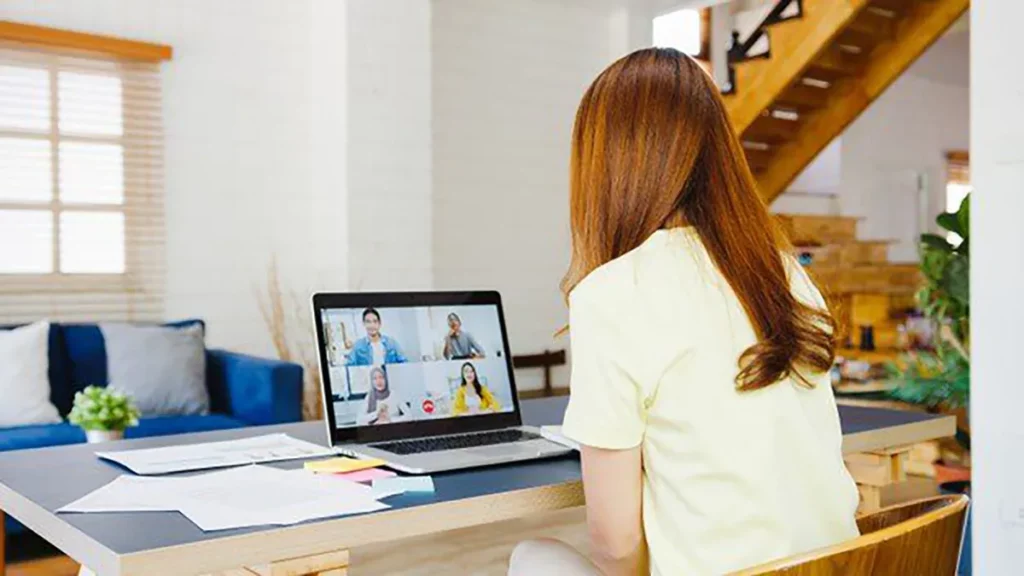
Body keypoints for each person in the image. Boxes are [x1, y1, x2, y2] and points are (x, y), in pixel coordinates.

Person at [509, 48, 858, 576]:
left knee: (530, 557)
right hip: (839, 568)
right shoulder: (789, 275)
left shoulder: (611, 294)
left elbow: (616, 540)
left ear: (604, 166)